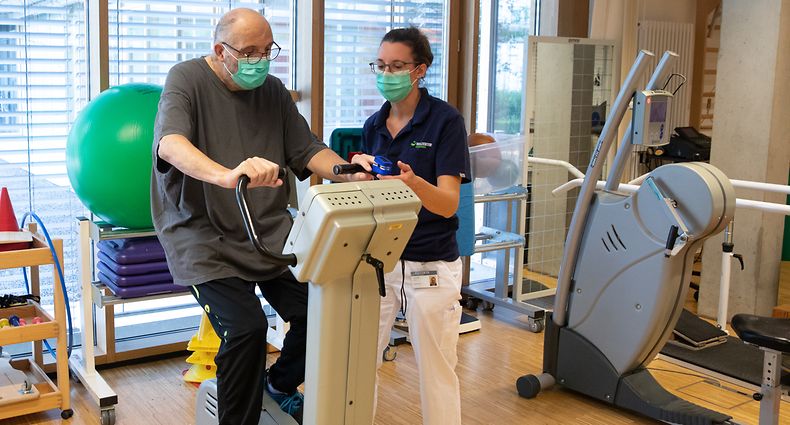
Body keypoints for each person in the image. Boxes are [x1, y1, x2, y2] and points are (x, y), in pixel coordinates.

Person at [150, 8, 367, 425]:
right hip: (202, 237)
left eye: (268, 51)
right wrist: (227, 176)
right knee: (246, 330)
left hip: (265, 231)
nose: (261, 61)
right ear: (220, 50)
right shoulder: (187, 79)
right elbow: (170, 144)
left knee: (321, 313)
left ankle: (278, 385)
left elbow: (306, 149)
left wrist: (347, 171)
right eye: (250, 52)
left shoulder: (273, 92)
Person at [351, 27, 471, 425]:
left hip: (430, 263)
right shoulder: (374, 125)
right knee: (359, 364)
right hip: (381, 261)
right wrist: (360, 180)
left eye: (397, 66)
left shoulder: (445, 122)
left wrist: (413, 183)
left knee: (437, 370)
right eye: (381, 65)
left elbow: (447, 203)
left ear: (419, 70)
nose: (387, 73)